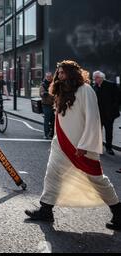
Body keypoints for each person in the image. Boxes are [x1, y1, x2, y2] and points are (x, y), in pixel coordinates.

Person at [25, 60, 121, 231]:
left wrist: (85, 144)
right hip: (61, 143)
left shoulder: (86, 90)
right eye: (58, 73)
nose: (59, 76)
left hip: (81, 145)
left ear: (72, 73)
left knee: (96, 178)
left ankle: (119, 212)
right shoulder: (62, 90)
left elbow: (93, 119)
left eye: (62, 73)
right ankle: (46, 209)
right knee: (52, 173)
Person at [92, 71, 120, 156]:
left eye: (96, 77)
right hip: (98, 113)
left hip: (109, 113)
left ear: (101, 77)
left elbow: (118, 98)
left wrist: (112, 109)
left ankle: (109, 148)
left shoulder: (111, 85)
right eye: (94, 77)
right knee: (98, 132)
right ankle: (98, 147)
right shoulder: (95, 87)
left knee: (109, 131)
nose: (95, 79)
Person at [40, 72, 55, 139]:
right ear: (45, 77)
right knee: (47, 119)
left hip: (54, 104)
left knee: (53, 120)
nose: (48, 78)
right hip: (46, 104)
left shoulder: (54, 84)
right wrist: (44, 94)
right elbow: (41, 93)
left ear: (52, 77)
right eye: (47, 77)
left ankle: (52, 133)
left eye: (50, 76)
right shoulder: (43, 84)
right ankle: (46, 134)